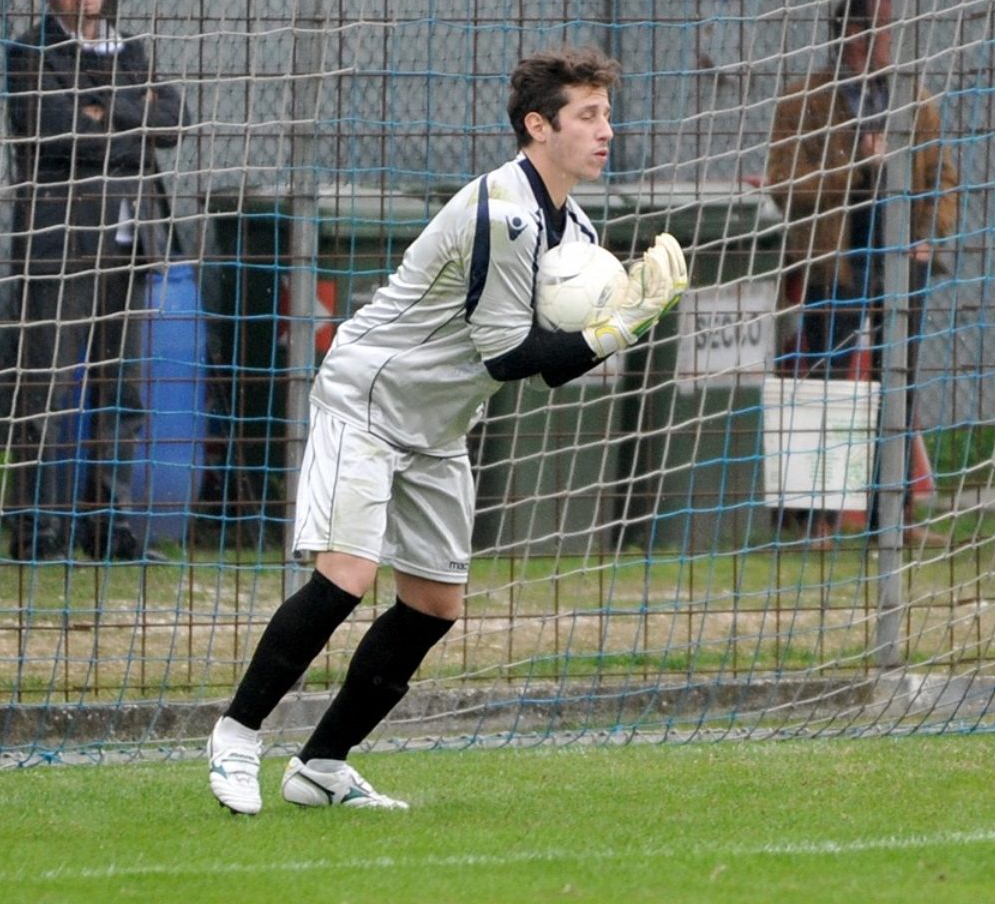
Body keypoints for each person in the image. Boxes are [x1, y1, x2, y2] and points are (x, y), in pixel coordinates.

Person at [206, 47, 687, 813]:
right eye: (587, 115)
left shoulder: (576, 224)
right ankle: (235, 738)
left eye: (606, 114)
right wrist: (617, 329)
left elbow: (551, 368)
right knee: (347, 578)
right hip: (369, 399)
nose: (606, 131)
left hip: (437, 424)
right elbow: (506, 357)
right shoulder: (505, 212)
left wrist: (625, 319)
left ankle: (322, 767)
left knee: (434, 604)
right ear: (538, 125)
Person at [5, 0, 187, 562]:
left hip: (130, 242)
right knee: (48, 391)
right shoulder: (29, 52)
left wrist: (105, 108)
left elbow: (174, 120)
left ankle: (107, 527)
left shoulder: (129, 49)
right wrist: (124, 117)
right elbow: (55, 129)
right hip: (62, 246)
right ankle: (37, 529)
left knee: (122, 393)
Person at [765, 0, 959, 548]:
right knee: (829, 388)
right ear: (850, 36)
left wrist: (929, 236)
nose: (886, 42)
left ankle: (891, 517)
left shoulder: (913, 98)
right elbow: (782, 181)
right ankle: (817, 519)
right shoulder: (806, 101)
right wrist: (855, 168)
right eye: (878, 31)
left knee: (896, 384)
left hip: (903, 259)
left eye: (889, 31)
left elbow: (943, 174)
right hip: (839, 259)